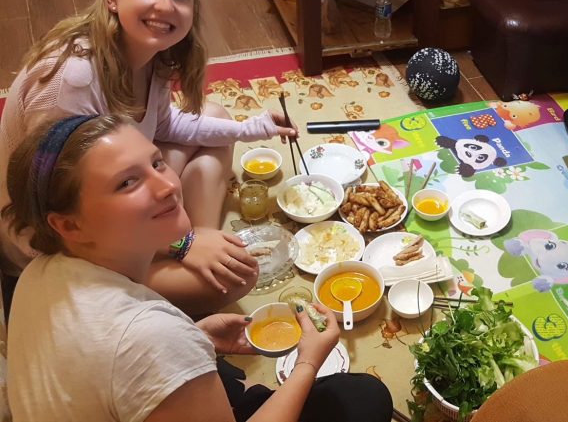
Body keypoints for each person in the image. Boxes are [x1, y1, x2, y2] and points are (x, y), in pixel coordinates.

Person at [4, 114, 393, 421]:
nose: (168, 186)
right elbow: (139, 350)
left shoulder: (35, 275)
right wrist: (308, 361)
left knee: (225, 379)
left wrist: (195, 337)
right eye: (127, 183)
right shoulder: (150, 335)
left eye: (157, 162)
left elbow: (107, 373)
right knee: (363, 398)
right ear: (69, 224)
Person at [0, 0, 297, 313]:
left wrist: (251, 128)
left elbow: (164, 125)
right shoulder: (72, 81)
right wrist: (180, 246)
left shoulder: (152, 57)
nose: (164, 5)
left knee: (217, 119)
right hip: (64, 241)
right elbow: (66, 213)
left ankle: (195, 236)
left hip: (113, 193)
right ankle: (183, 252)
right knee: (236, 279)